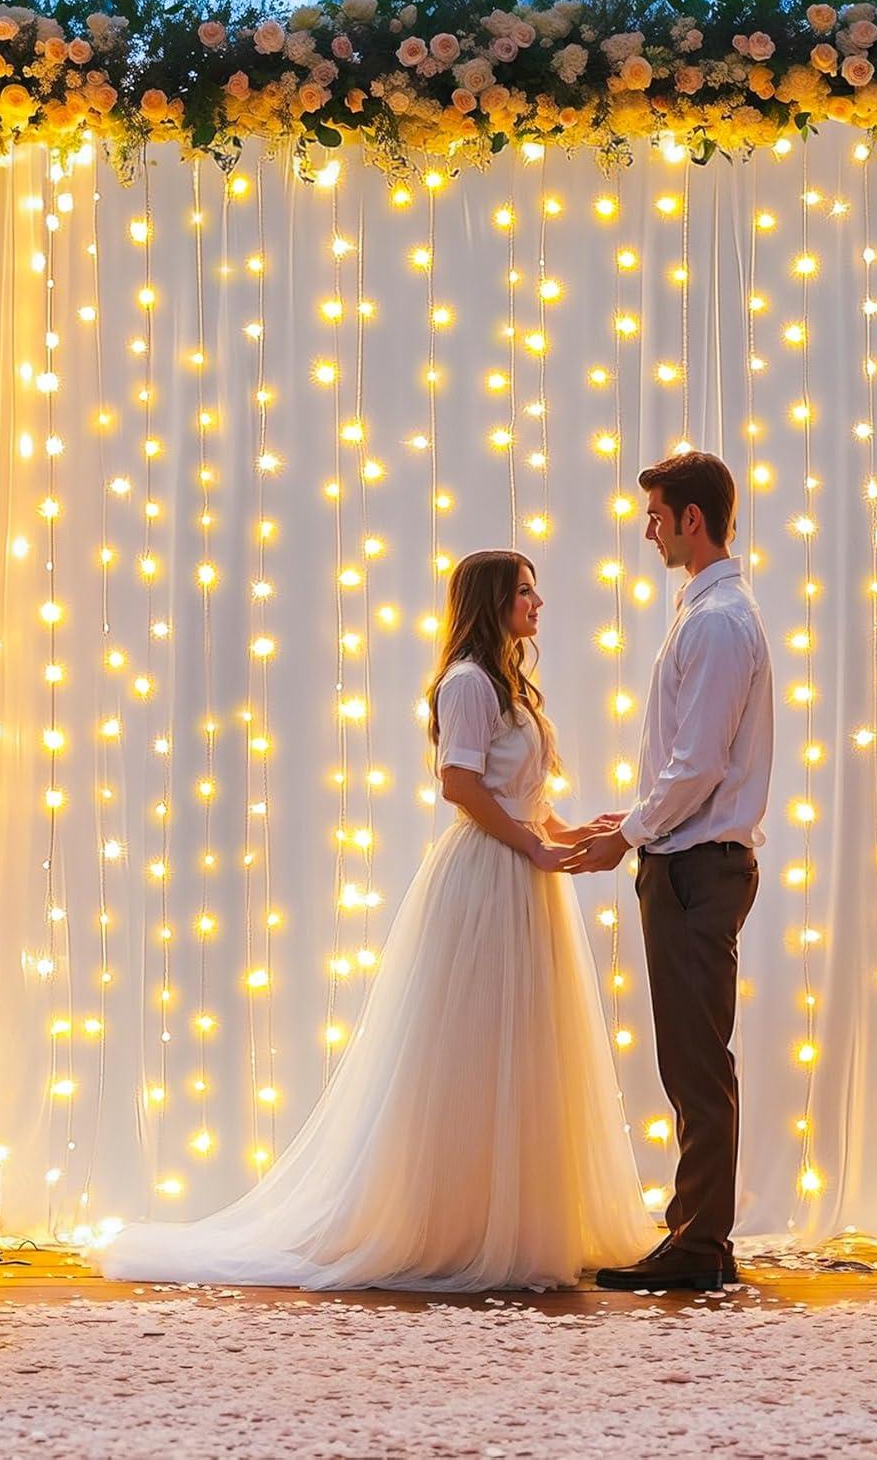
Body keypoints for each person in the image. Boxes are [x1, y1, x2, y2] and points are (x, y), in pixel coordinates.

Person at [96, 549, 656, 1291]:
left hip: (524, 878)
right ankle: (454, 1224)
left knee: (523, 1046)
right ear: (493, 602)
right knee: (473, 1048)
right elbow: (459, 783)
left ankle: (513, 1216)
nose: (538, 602)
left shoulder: (514, 688)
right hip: (487, 879)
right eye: (524, 591)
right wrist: (529, 843)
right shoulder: (467, 684)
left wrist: (569, 832)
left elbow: (521, 795)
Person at [564, 451, 774, 1293]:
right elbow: (686, 764)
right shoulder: (708, 612)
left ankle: (696, 1244)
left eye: (656, 514)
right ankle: (701, 1237)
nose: (647, 529)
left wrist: (635, 834)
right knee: (691, 1058)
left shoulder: (717, 621)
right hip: (685, 853)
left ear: (692, 518)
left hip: (696, 867)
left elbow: (698, 765)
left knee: (695, 1061)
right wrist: (640, 818)